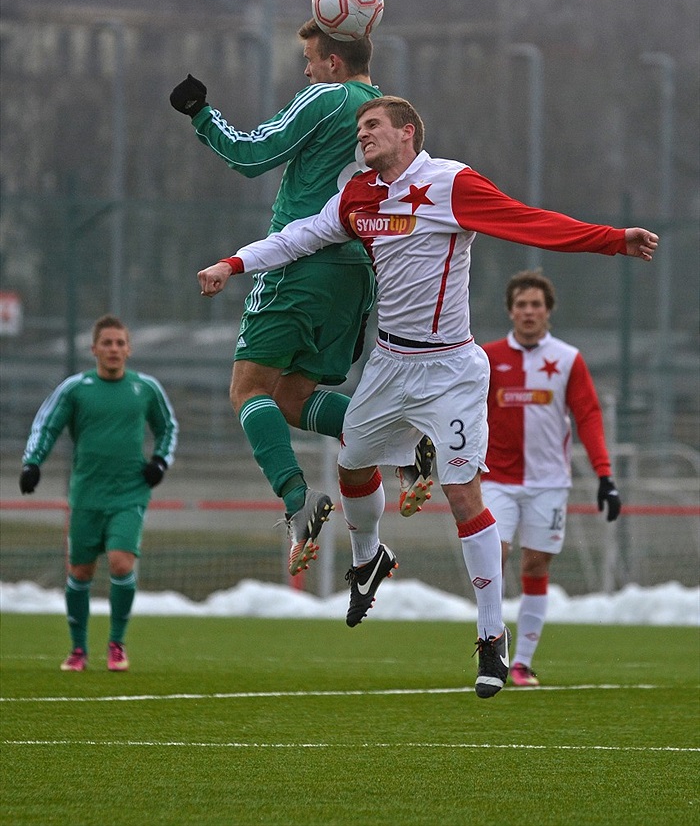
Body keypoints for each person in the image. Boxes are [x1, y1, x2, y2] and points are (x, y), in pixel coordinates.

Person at [197, 95, 657, 698]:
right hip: (389, 365)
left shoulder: (450, 183)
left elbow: (529, 221)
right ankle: (368, 557)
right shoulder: (360, 194)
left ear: (407, 132)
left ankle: (492, 641)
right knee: (352, 463)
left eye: (372, 126)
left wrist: (611, 240)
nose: (361, 135)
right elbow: (300, 236)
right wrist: (233, 263)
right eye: (360, 128)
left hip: (451, 373)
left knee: (464, 494)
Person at [169, 22, 431, 577]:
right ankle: (407, 445)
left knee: (247, 388)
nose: (306, 70)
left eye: (310, 59)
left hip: (302, 263)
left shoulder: (329, 98)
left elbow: (250, 154)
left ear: (334, 62)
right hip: (358, 273)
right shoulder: (381, 114)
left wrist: (200, 114)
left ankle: (299, 501)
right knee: (291, 398)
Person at [481, 270, 621, 687]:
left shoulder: (566, 359)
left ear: (548, 311)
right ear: (510, 310)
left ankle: (522, 662)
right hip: (496, 479)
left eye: (535, 305)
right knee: (493, 556)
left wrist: (605, 475)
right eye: (521, 304)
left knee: (535, 563)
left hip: (548, 482)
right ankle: (490, 648)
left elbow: (588, 416)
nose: (528, 312)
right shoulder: (486, 358)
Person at [19, 315, 178, 672]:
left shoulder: (145, 388)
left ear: (129, 349)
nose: (114, 349)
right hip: (87, 494)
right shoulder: (76, 388)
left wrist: (159, 462)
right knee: (80, 571)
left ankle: (117, 644)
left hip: (129, 492)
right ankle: (78, 650)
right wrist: (32, 463)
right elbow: (46, 426)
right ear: (94, 349)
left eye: (120, 343)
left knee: (122, 562)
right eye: (107, 343)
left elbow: (167, 427)